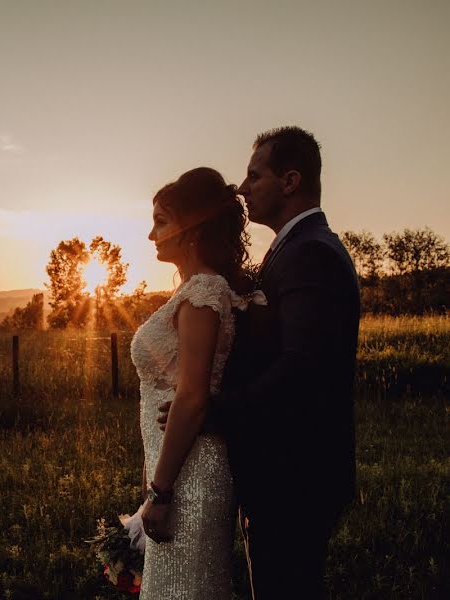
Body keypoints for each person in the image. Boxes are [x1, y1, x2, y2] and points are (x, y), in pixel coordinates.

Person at [159, 127, 360, 599]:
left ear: (290, 181)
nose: (243, 188)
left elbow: (302, 367)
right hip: (282, 467)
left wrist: (216, 409)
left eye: (255, 176)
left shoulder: (311, 253)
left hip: (296, 473)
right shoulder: (294, 249)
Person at [130, 166, 253, 599]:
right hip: (176, 468)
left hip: (192, 474)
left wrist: (162, 493)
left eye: (161, 222)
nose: (151, 235)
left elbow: (193, 395)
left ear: (192, 228)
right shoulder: (195, 290)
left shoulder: (204, 293)